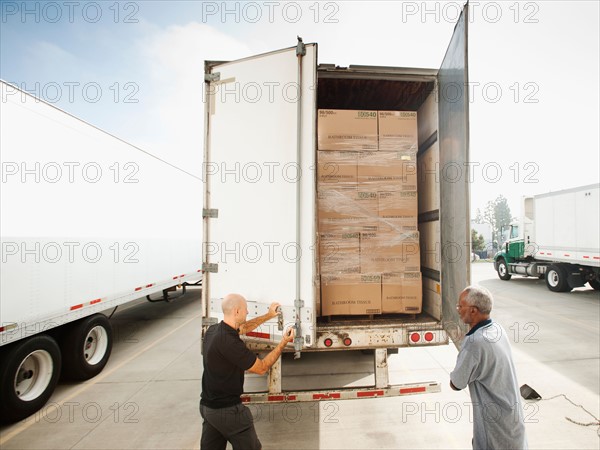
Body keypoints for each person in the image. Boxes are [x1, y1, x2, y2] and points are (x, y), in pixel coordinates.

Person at [200, 293, 295, 450]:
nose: (248, 312)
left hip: (208, 408)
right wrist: (283, 342)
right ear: (237, 311)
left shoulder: (214, 330)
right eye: (245, 309)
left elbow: (243, 328)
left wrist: (269, 315)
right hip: (228, 411)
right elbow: (262, 367)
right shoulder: (230, 343)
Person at [450, 285, 528, 450]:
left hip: (494, 431)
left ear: (473, 310)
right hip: (513, 424)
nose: (458, 310)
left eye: (460, 306)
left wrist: (464, 349)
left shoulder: (474, 343)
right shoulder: (497, 330)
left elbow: (456, 383)